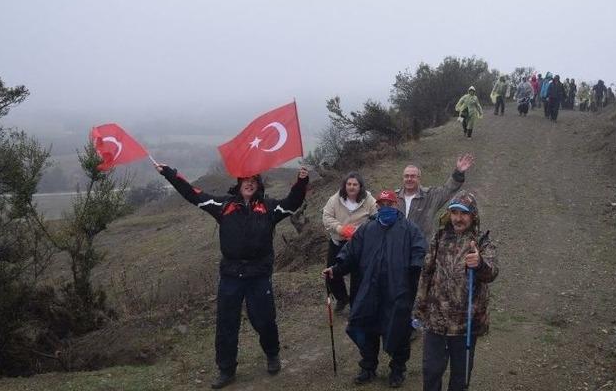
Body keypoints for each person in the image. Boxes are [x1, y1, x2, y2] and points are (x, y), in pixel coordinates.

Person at [156, 163, 309, 389]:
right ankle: (226, 370)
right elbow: (193, 194)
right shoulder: (223, 205)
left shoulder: (269, 207)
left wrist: (302, 181)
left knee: (264, 319)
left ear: (258, 185)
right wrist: (170, 174)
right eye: (245, 180)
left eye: (253, 181)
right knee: (227, 323)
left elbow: (292, 203)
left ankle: (272, 354)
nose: (249, 184)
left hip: (259, 274)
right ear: (239, 184)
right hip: (231, 275)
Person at [322, 190, 427, 388]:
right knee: (366, 328)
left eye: (389, 204)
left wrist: (415, 266)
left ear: (396, 205)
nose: (385, 207)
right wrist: (336, 269)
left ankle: (397, 369)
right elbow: (350, 254)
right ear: (377, 206)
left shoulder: (409, 229)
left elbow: (420, 250)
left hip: (397, 292)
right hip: (368, 290)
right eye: (382, 204)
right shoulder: (367, 229)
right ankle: (368, 367)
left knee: (398, 331)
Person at [414, 190, 499, 391]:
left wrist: (479, 263)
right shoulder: (439, 237)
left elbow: (492, 273)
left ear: (473, 215)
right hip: (436, 320)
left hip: (465, 323)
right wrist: (419, 308)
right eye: (454, 213)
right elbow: (426, 273)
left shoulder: (482, 241)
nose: (458, 218)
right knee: (431, 371)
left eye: (464, 213)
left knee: (460, 377)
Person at [322, 172, 377, 312]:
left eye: (355, 184)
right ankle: (342, 298)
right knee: (331, 274)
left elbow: (376, 218)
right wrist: (340, 228)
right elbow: (326, 217)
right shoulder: (335, 199)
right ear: (345, 185)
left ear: (360, 186)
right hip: (338, 241)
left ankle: (356, 307)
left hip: (359, 245)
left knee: (358, 277)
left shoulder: (369, 200)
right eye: (349, 184)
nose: (351, 187)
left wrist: (359, 231)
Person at [397, 153, 474, 240]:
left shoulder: (430, 196)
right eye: (406, 176)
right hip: (398, 245)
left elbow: (448, 189)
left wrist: (458, 172)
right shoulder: (394, 198)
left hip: (421, 246)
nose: (409, 179)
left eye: (413, 176)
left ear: (419, 178)